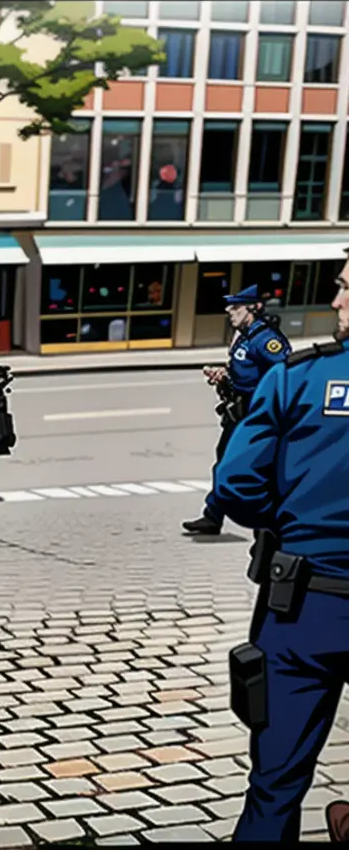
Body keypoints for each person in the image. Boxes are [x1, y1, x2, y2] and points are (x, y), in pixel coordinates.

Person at [210, 251, 349, 842]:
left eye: (346, 289)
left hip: (306, 605)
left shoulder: (299, 376)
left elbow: (235, 485)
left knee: (275, 786)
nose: (336, 301)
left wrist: (292, 523)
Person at [183, 284, 291, 536]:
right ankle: (213, 517)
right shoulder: (244, 335)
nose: (229, 311)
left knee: (249, 466)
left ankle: (265, 522)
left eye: (235, 307)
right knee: (225, 462)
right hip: (239, 413)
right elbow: (244, 370)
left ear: (253, 308)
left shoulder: (267, 340)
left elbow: (284, 374)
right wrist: (224, 375)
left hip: (255, 415)